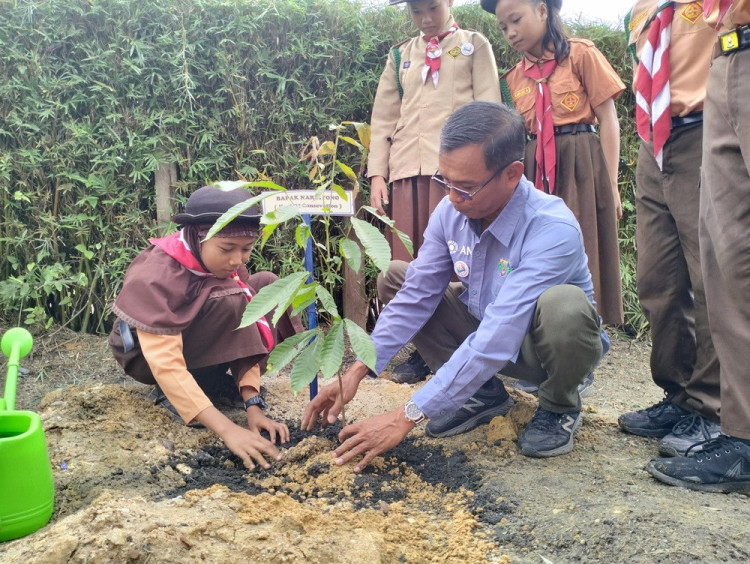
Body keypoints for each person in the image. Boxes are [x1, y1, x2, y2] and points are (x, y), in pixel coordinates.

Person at [301, 101, 608, 472]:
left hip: (538, 350)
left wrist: (407, 414)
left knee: (565, 306)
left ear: (512, 174)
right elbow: (416, 296)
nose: (451, 196)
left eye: (465, 187)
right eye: (445, 181)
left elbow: (499, 334)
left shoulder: (550, 228)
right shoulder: (453, 211)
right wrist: (357, 371)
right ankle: (481, 395)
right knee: (396, 278)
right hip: (484, 324)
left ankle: (560, 404)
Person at [108, 185, 304, 471]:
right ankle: (177, 395)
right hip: (146, 357)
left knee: (265, 286)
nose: (237, 260)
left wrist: (253, 403)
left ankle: (211, 383)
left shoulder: (226, 263)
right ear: (198, 238)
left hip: (195, 339)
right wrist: (228, 430)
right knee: (233, 298)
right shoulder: (156, 274)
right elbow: (165, 362)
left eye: (246, 249)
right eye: (227, 249)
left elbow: (248, 323)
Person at [368, 0, 503, 384]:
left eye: (432, 8)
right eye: (416, 11)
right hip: (407, 169)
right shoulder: (399, 56)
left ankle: (462, 341)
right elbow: (383, 119)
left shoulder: (474, 45)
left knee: (453, 260)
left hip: (456, 176)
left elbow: (490, 109)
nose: (425, 19)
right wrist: (378, 173)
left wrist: (484, 172)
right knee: (406, 263)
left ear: (449, 3)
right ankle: (421, 351)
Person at [646, 0, 750, 493]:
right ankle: (716, 418)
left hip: (706, 111)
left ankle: (715, 408)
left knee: (723, 270)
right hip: (684, 111)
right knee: (715, 265)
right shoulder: (646, 10)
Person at [483, 0, 624, 339]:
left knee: (583, 243)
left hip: (581, 166)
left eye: (515, 20)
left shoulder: (581, 54)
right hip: (534, 171)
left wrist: (611, 182)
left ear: (543, 10)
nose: (510, 32)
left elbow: (608, 119)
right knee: (534, 249)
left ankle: (587, 343)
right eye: (503, 27)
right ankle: (545, 344)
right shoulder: (512, 79)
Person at [617, 0, 721, 458]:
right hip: (653, 142)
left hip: (706, 131)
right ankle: (677, 394)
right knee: (659, 277)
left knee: (712, 275)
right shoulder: (644, 8)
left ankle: (713, 405)